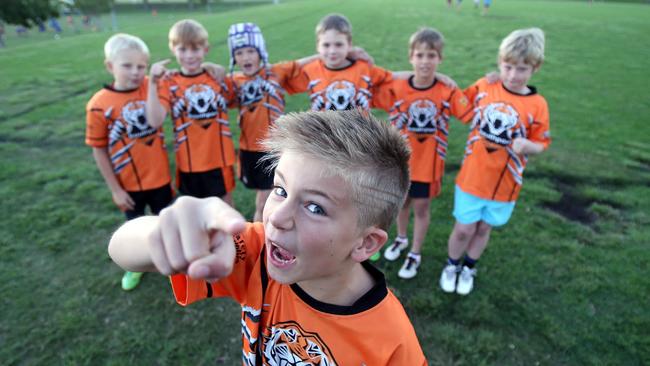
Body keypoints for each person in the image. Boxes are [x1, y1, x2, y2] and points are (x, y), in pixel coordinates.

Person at [108, 109, 428, 365]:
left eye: (315, 207)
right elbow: (120, 247)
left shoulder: (392, 344)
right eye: (280, 189)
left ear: (365, 243)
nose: (275, 216)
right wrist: (164, 232)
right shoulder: (257, 253)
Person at [439, 28, 551, 295]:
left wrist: (529, 146)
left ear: (535, 68)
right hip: (472, 180)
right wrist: (443, 79)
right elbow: (461, 106)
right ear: (499, 62)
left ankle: (469, 267)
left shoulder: (538, 104)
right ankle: (452, 264)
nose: (513, 75)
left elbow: (542, 143)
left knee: (483, 228)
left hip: (505, 186)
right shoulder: (486, 86)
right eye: (508, 67)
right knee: (464, 229)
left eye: (522, 69)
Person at [373, 27, 472, 278]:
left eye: (431, 55)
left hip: (428, 166)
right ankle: (402, 239)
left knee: (421, 208)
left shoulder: (446, 91)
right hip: (400, 163)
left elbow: (470, 111)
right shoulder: (397, 86)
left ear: (440, 59)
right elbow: (370, 84)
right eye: (420, 55)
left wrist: (486, 80)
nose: (425, 61)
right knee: (401, 205)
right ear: (411, 57)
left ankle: (415, 252)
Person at [85, 33, 173, 291]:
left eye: (141, 66)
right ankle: (134, 267)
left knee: (164, 222)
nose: (135, 72)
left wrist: (154, 83)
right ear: (110, 66)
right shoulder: (98, 105)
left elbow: (156, 120)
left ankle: (168, 263)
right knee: (133, 230)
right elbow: (99, 150)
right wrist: (115, 189)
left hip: (160, 178)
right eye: (127, 65)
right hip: (129, 184)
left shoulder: (151, 86)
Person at [147, 19, 236, 204]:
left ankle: (234, 236)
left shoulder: (216, 77)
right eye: (182, 49)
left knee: (226, 213)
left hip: (219, 161)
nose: (189, 55)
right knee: (194, 218)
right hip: (188, 164)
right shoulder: (168, 82)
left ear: (206, 49)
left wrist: (215, 69)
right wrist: (153, 83)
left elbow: (236, 97)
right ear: (172, 49)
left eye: (195, 49)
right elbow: (155, 121)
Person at [226, 22, 309, 221]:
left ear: (260, 52)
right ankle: (261, 238)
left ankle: (264, 237)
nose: (245, 57)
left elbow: (300, 64)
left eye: (250, 51)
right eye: (239, 53)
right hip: (250, 149)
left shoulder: (275, 73)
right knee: (265, 198)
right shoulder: (234, 82)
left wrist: (334, 55)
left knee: (268, 198)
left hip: (274, 147)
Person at [289, 13, 393, 112]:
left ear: (349, 44)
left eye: (339, 45)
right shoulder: (310, 70)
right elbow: (280, 74)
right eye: (326, 45)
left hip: (359, 130)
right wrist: (318, 56)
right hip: (323, 130)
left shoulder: (364, 69)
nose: (332, 51)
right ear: (317, 45)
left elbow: (394, 79)